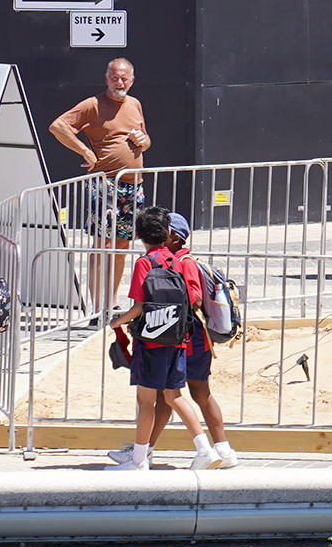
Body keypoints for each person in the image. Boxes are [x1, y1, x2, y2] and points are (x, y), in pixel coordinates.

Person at [104, 208, 206, 470]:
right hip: (177, 339)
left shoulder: (145, 263)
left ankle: (139, 460)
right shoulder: (176, 260)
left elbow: (140, 305)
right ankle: (205, 449)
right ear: (167, 233)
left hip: (151, 342)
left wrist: (118, 321)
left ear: (138, 235)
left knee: (146, 401)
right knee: (175, 396)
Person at [51, 60, 150, 317]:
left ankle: (112, 304)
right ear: (106, 79)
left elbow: (146, 140)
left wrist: (144, 141)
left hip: (133, 186)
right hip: (105, 185)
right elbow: (58, 126)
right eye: (115, 78)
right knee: (102, 246)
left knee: (122, 247)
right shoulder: (92, 104)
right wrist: (85, 151)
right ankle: (98, 310)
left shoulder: (135, 104)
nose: (119, 83)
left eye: (124, 78)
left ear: (132, 80)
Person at [165, 214, 236, 469]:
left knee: (193, 393)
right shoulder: (181, 260)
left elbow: (194, 298)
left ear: (175, 237)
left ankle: (220, 449)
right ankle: (224, 450)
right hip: (194, 336)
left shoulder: (184, 263)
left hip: (191, 336)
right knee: (193, 393)